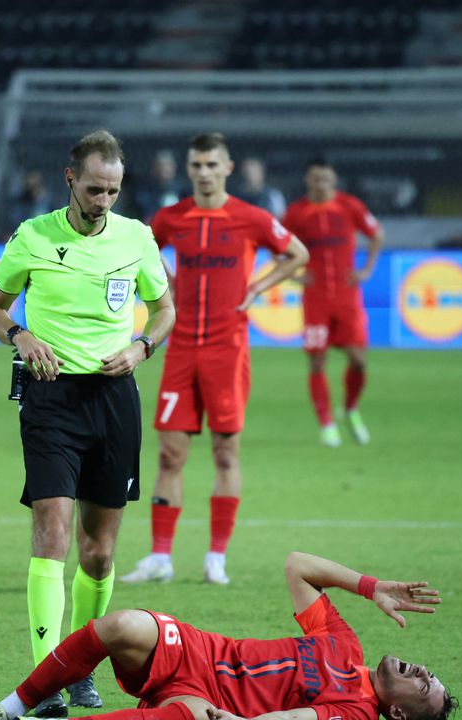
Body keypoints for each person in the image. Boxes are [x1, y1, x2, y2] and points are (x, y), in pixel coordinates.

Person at [0, 130, 176, 718]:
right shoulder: (32, 237)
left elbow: (164, 309)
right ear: (71, 179)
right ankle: (45, 680)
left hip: (115, 400)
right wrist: (22, 336)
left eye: (113, 190)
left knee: (99, 553)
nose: (104, 200)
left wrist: (142, 348)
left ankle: (82, 666)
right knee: (52, 532)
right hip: (50, 397)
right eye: (94, 189)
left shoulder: (137, 238)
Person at [0, 549, 456, 720]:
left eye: (424, 687)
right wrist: (371, 587)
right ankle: (6, 708)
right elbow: (297, 564)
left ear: (400, 717)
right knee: (120, 624)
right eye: (429, 673)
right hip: (199, 651)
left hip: (212, 703)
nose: (423, 672)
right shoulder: (343, 642)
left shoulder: (362, 712)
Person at [121, 132, 308, 587]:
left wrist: (259, 287)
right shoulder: (173, 218)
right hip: (181, 346)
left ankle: (216, 558)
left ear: (227, 168)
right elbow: (138, 248)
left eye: (211, 165)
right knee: (169, 453)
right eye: (196, 166)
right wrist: (166, 281)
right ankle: (160, 558)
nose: (203, 172)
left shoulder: (251, 218)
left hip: (228, 349)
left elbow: (297, 253)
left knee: (226, 453)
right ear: (189, 170)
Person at [282, 159, 384, 448]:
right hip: (316, 299)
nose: (321, 184)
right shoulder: (296, 213)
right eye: (316, 179)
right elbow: (277, 246)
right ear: (308, 181)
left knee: (359, 360)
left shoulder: (349, 206)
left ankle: (350, 409)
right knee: (317, 361)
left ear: (333, 180)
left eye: (326, 179)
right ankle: (327, 424)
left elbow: (377, 234)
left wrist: (366, 270)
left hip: (347, 296)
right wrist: (294, 275)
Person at [133, 150, 184, 223]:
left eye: (168, 165)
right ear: (154, 168)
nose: (164, 169)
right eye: (160, 165)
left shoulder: (183, 191)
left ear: (174, 167)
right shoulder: (145, 193)